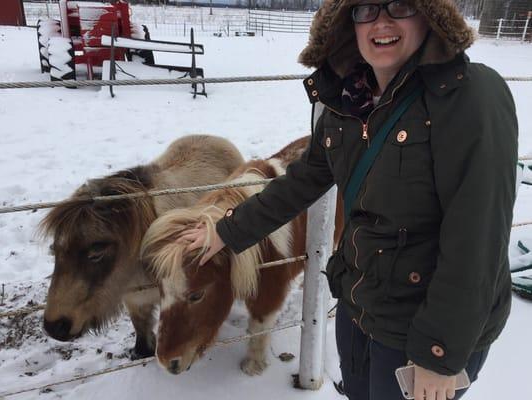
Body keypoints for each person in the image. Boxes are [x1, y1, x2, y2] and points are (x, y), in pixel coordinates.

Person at [179, 1, 518, 399]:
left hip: (424, 329)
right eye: (367, 10)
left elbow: (478, 240)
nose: (382, 22)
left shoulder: (469, 95)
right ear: (347, 24)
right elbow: (301, 182)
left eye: (400, 6)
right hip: (360, 306)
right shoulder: (348, 101)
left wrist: (439, 354)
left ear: (429, 14)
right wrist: (227, 230)